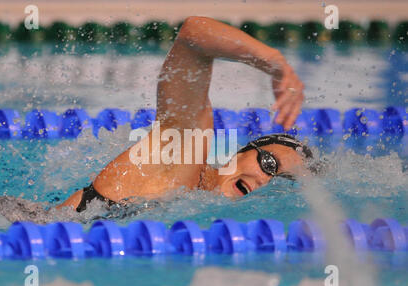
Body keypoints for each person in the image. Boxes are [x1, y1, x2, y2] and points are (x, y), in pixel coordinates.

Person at [57, 16, 311, 213]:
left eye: (283, 182)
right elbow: (193, 34)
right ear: (241, 153)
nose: (266, 181)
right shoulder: (181, 158)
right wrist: (275, 62)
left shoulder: (206, 213)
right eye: (270, 165)